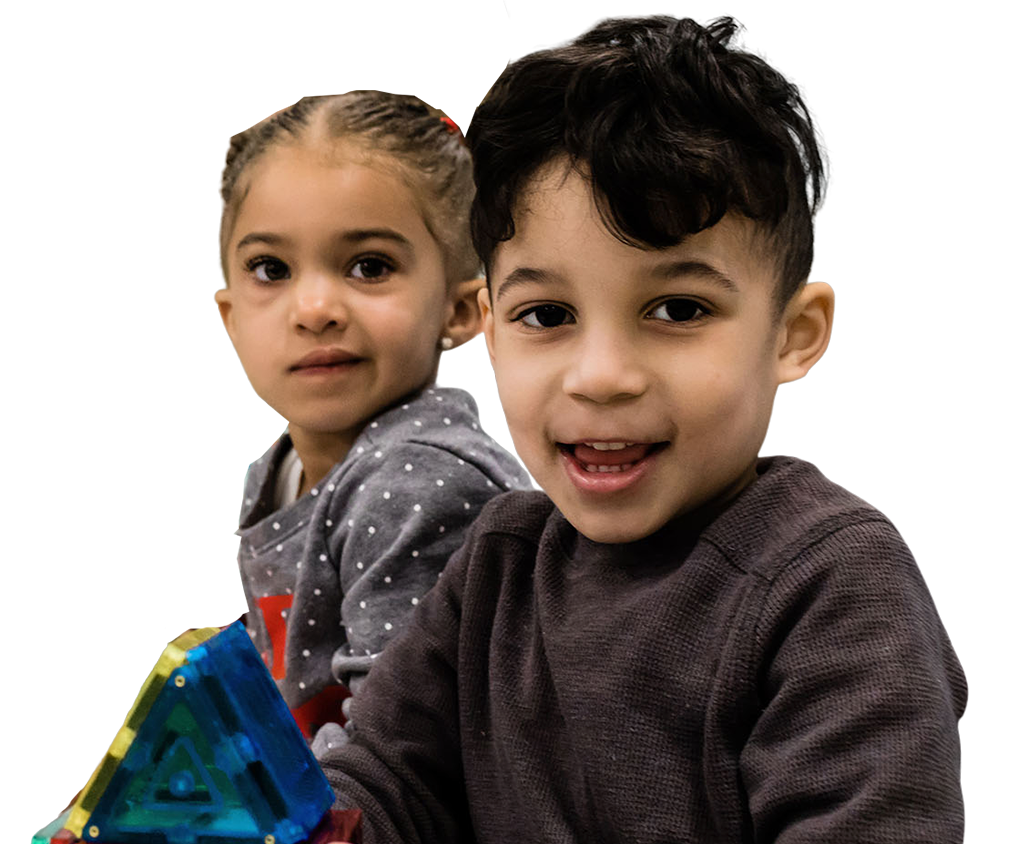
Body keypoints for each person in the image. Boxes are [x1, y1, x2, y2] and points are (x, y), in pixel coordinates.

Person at [314, 12, 968, 843]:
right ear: (487, 329)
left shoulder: (834, 588)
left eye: (676, 308)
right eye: (546, 314)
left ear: (792, 335)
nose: (601, 376)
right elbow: (379, 792)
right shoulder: (500, 563)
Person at [212, 93, 530, 742]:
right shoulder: (277, 463)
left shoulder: (418, 482)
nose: (315, 308)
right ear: (230, 318)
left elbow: (399, 756)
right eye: (270, 269)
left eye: (369, 266)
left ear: (459, 311)